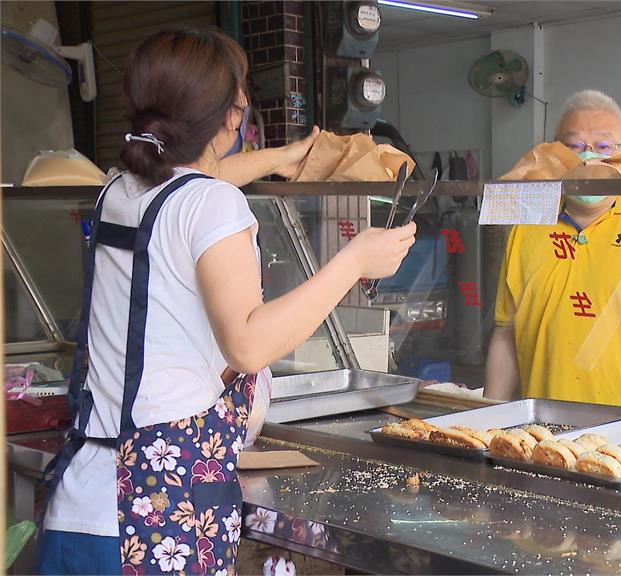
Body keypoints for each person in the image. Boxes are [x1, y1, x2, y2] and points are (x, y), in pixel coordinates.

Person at [39, 28, 416, 575]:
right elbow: (247, 344)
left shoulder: (120, 189)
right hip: (160, 514)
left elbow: (198, 179)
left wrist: (284, 156)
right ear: (230, 116)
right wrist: (353, 263)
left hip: (86, 499)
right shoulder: (212, 206)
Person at [484, 89, 621, 414]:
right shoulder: (528, 225)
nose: (588, 158)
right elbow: (507, 333)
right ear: (553, 153)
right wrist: (492, 419)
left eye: (604, 147)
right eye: (574, 147)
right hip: (540, 432)